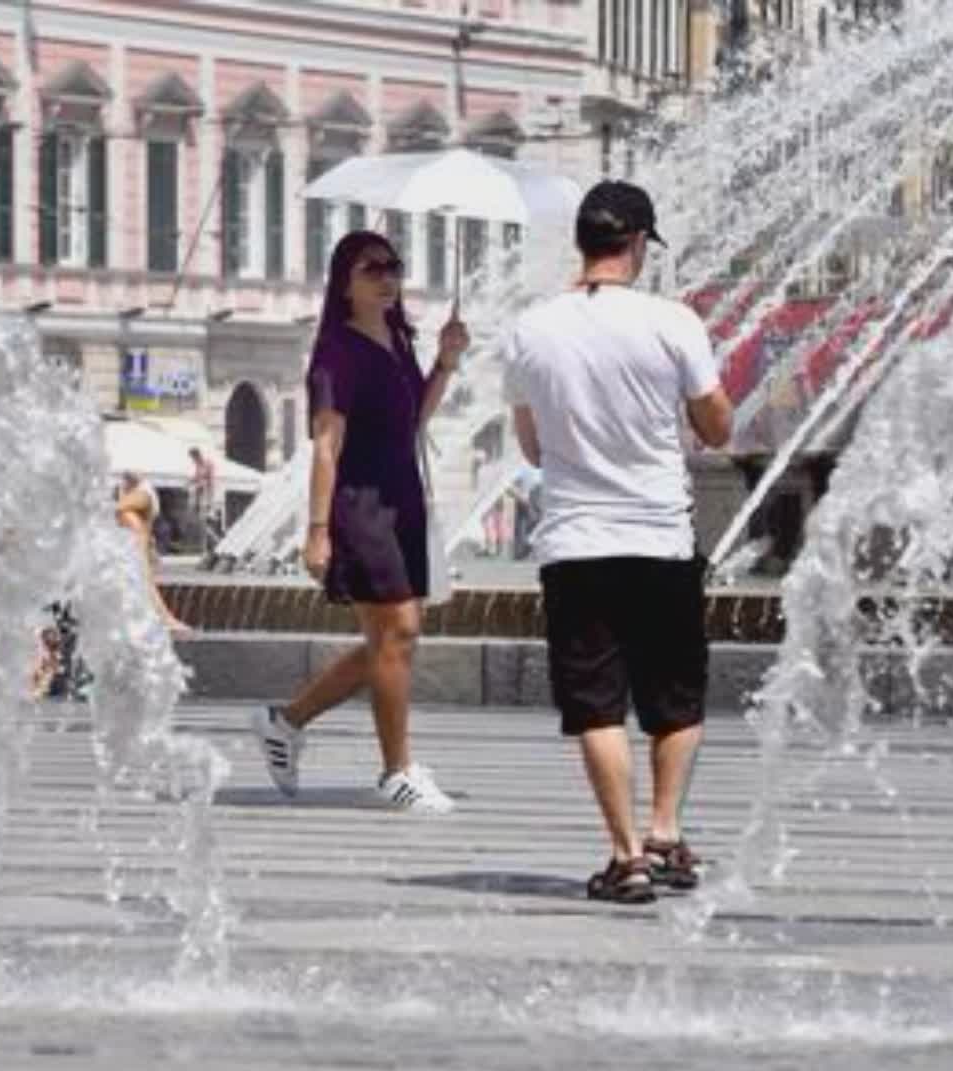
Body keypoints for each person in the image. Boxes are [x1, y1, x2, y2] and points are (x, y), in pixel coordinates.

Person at [502, 180, 734, 903]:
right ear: (637, 244)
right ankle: (666, 830)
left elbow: (533, 447)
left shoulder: (530, 329)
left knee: (596, 705)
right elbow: (718, 427)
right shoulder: (674, 322)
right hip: (660, 538)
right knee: (675, 698)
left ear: (582, 244)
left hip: (575, 543)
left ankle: (626, 853)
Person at [251, 230, 470, 814]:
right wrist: (317, 531)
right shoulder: (337, 351)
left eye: (393, 267)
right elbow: (326, 445)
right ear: (345, 282)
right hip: (362, 505)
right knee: (397, 632)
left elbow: (412, 420)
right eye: (372, 268)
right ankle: (396, 771)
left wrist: (445, 364)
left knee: (391, 638)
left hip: (403, 499)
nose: (387, 277)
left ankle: (286, 721)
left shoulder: (397, 341)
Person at [117, 471, 190, 635]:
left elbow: (118, 508)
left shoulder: (141, 496)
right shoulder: (133, 494)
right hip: (136, 537)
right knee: (138, 579)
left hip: (137, 535)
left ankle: (165, 619)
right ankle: (164, 620)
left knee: (141, 579)